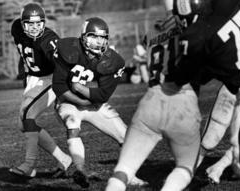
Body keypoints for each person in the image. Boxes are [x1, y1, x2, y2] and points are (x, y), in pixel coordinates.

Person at [105, 3, 202, 191]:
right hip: (183, 101)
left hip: (152, 99)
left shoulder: (153, 30)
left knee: (123, 170)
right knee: (185, 167)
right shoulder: (193, 27)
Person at [172, 0, 240, 190]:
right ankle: (193, 172)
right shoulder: (229, 5)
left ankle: (195, 171)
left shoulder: (197, 35)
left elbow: (185, 76)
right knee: (220, 138)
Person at [51, 17, 145, 188]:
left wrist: (80, 89)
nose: (99, 42)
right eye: (94, 37)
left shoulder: (112, 60)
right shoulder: (69, 49)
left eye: (102, 38)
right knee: (72, 122)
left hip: (92, 104)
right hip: (68, 102)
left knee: (125, 136)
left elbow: (102, 95)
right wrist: (80, 99)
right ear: (84, 36)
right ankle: (79, 169)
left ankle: (130, 175)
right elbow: (58, 87)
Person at [9, 3, 72, 179]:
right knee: (23, 124)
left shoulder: (48, 39)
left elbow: (60, 63)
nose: (35, 27)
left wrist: (63, 89)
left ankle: (29, 164)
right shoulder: (16, 28)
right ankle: (63, 159)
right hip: (32, 79)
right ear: (22, 24)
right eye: (30, 24)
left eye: (39, 23)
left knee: (28, 116)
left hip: (49, 79)